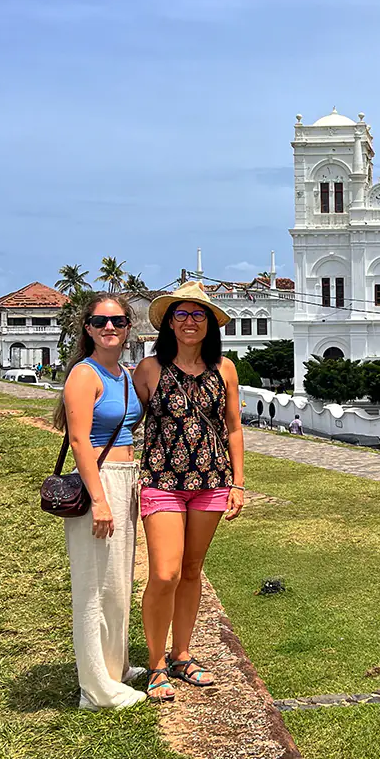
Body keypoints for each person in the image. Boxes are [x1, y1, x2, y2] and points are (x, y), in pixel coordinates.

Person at [133, 282, 244, 703]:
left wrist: (237, 482)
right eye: (181, 314)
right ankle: (156, 662)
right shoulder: (150, 369)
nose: (189, 321)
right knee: (165, 572)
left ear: (210, 323)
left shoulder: (225, 369)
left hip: (211, 482)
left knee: (193, 569)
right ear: (169, 323)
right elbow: (129, 417)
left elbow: (234, 428)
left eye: (198, 314)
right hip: (161, 482)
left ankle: (181, 655)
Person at [52, 294, 146, 710]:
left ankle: (115, 666)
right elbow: (78, 440)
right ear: (87, 328)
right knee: (93, 585)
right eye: (100, 321)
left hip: (126, 478)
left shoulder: (123, 375)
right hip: (100, 481)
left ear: (128, 327)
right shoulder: (83, 375)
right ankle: (97, 689)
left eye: (118, 321)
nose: (110, 327)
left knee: (118, 580)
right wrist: (99, 499)